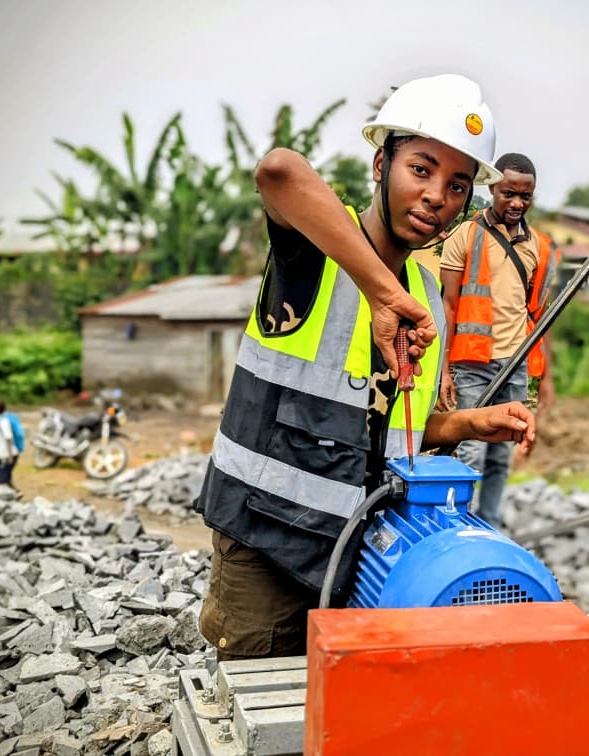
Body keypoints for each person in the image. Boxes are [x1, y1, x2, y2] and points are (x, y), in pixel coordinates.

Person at [192, 74, 536, 661]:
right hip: (265, 546)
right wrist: (379, 291)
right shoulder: (315, 253)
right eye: (420, 170)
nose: (436, 197)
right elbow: (279, 171)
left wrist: (467, 425)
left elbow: (387, 430)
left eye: (457, 185)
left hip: (359, 552)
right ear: (381, 165)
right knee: (258, 716)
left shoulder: (427, 297)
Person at [437, 152, 556, 528]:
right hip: (471, 364)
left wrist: (546, 376)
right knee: (471, 450)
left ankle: (487, 526)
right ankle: (460, 528)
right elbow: (448, 305)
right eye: (509, 193)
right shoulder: (465, 236)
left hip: (515, 364)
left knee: (501, 453)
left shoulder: (540, 246)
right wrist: (442, 371)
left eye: (526, 196)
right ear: (492, 188)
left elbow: (540, 315)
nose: (517, 203)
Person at [0, 398, 20, 494]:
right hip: (4, 454)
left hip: (5, 456)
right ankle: (17, 493)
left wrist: (10, 456)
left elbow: (8, 438)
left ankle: (3, 500)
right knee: (6, 478)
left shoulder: (3, 422)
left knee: (0, 480)